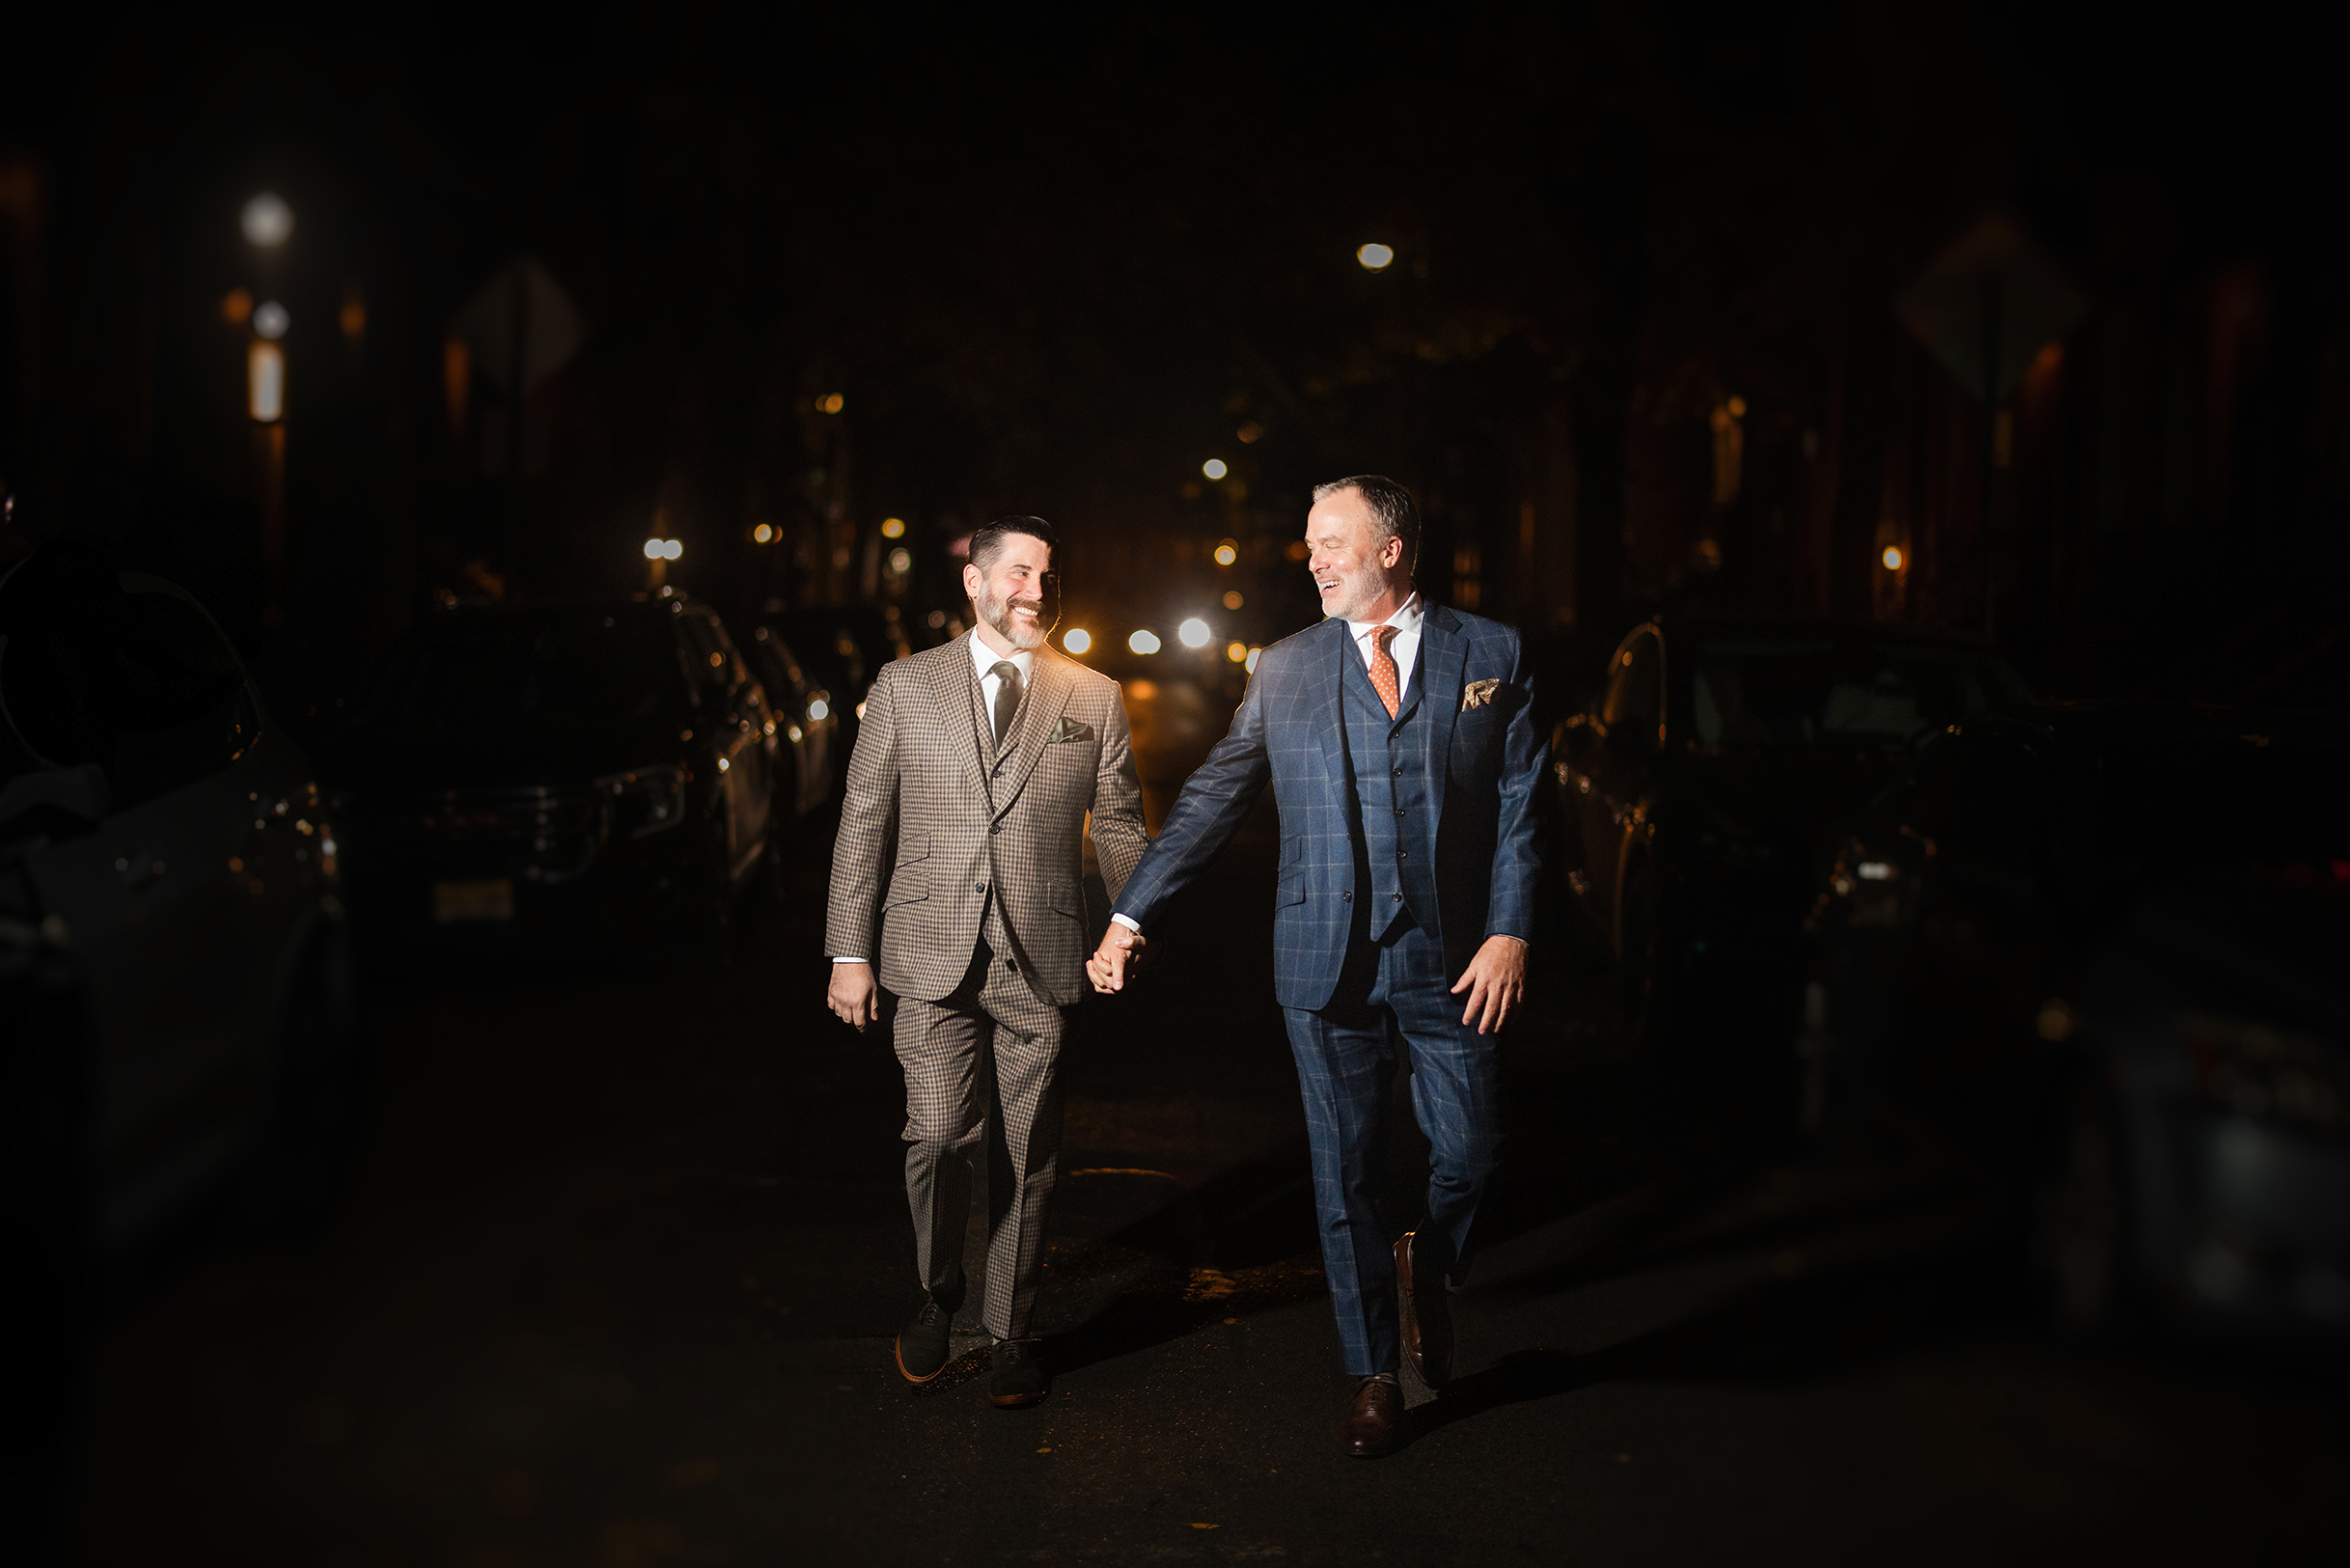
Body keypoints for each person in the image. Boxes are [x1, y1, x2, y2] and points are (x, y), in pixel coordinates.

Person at [1088, 476, 1542, 1457]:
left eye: (1330, 541)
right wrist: (1131, 913)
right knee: (1343, 1177)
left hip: (1453, 958)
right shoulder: (1286, 667)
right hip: (1320, 958)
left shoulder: (1489, 653)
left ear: (1389, 549)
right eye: (1307, 542)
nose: (1312, 557)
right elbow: (1212, 793)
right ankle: (1374, 1372)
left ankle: (1428, 1263)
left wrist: (1508, 929)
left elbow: (1517, 806)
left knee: (1469, 1155)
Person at [825, 516, 1147, 1409]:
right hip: (924, 950)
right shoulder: (904, 685)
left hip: (1042, 955)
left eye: (1045, 575)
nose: (1033, 593)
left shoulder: (1092, 695)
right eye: (1016, 574)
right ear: (974, 582)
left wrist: (1127, 920)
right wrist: (848, 950)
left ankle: (1010, 1329)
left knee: (1026, 1151)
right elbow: (864, 820)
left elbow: (1118, 822)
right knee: (935, 1136)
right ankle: (938, 1291)